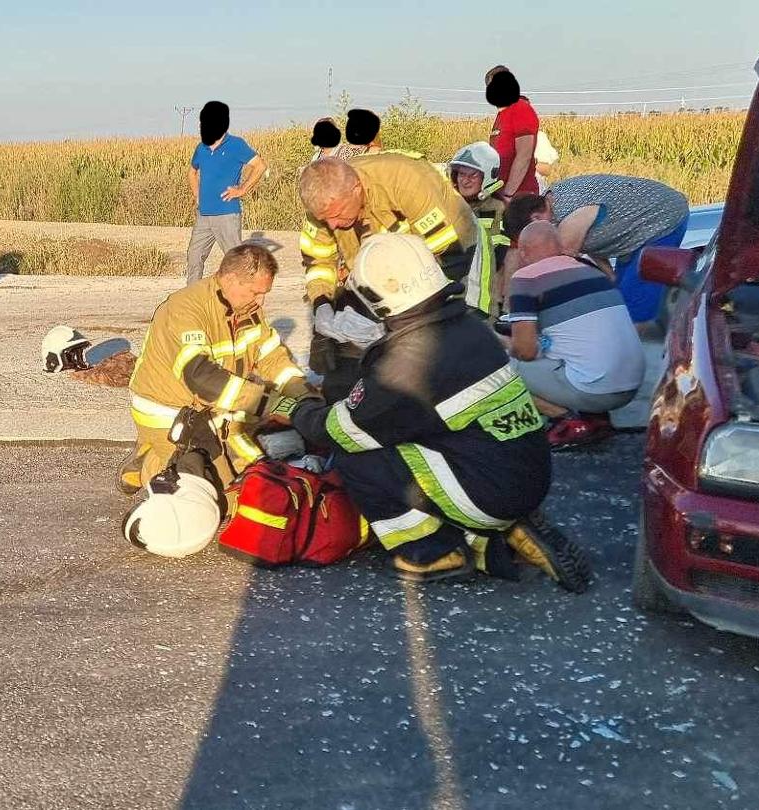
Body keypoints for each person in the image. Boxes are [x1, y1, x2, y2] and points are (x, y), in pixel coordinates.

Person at [263, 233, 591, 590]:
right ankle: (501, 532)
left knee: (358, 458)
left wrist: (298, 408)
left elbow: (342, 429)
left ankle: (436, 553)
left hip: (491, 491)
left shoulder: (407, 365)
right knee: (427, 442)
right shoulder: (469, 328)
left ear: (377, 299)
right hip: (528, 473)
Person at [122, 243, 309, 493]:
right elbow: (200, 377)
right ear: (230, 279)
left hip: (215, 409)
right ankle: (152, 462)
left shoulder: (247, 309)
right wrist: (273, 403)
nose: (261, 301)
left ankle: (174, 456)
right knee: (220, 496)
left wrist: (305, 395)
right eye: (255, 292)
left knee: (260, 475)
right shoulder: (187, 309)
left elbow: (272, 357)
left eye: (264, 293)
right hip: (171, 410)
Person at [296, 155, 479, 400]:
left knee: (446, 343)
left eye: (336, 214)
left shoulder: (406, 182)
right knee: (347, 359)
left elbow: (448, 260)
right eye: (324, 219)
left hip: (452, 252)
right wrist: (322, 309)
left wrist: (410, 321)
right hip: (379, 269)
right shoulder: (324, 205)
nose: (332, 224)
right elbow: (318, 261)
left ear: (356, 189)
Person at [502, 221, 646, 448]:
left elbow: (526, 351)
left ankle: (569, 420)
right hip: (630, 385)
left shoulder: (526, 278)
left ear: (522, 251)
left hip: (595, 388)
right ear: (559, 246)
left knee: (498, 368)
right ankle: (594, 417)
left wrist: (503, 344)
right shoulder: (593, 271)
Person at [500, 174, 691, 323]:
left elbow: (557, 270)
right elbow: (592, 243)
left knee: (632, 308)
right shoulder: (552, 204)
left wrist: (530, 310)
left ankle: (637, 352)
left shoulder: (568, 219)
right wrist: (610, 276)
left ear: (535, 219)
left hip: (662, 219)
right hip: (634, 234)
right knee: (618, 296)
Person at [185, 102, 267, 284]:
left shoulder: (236, 144)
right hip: (204, 215)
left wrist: (242, 189)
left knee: (235, 261)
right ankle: (191, 297)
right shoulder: (201, 148)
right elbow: (191, 172)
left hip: (227, 214)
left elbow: (260, 165)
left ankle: (245, 296)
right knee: (194, 256)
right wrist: (197, 195)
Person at [446, 141, 515, 320]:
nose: (465, 180)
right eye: (461, 174)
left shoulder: (498, 209)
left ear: (487, 177)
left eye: (472, 175)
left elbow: (500, 256)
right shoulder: (451, 207)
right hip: (454, 299)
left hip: (483, 305)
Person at [486, 66, 541, 200]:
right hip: (501, 194)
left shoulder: (520, 109)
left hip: (520, 197)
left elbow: (524, 155)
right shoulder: (502, 115)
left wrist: (508, 194)